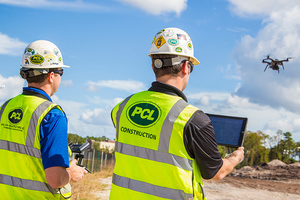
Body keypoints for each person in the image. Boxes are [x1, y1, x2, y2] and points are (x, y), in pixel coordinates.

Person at [109, 27, 244, 200]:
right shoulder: (193, 119)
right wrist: (235, 158)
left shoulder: (122, 108)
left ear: (153, 66)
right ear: (186, 67)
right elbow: (215, 172)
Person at [0, 40, 87, 199]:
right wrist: (71, 173)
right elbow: (55, 179)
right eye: (61, 72)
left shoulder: (5, 108)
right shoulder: (52, 115)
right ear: (51, 75)